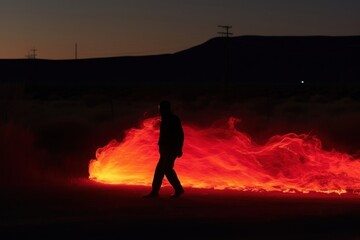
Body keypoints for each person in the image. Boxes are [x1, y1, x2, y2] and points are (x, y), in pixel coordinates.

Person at [143, 100, 185, 198]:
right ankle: (155, 192)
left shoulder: (173, 119)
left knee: (167, 169)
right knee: (160, 170)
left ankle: (178, 189)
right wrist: (161, 146)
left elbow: (180, 135)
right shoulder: (165, 119)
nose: (160, 111)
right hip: (165, 149)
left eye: (161, 109)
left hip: (171, 149)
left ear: (166, 109)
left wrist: (179, 148)